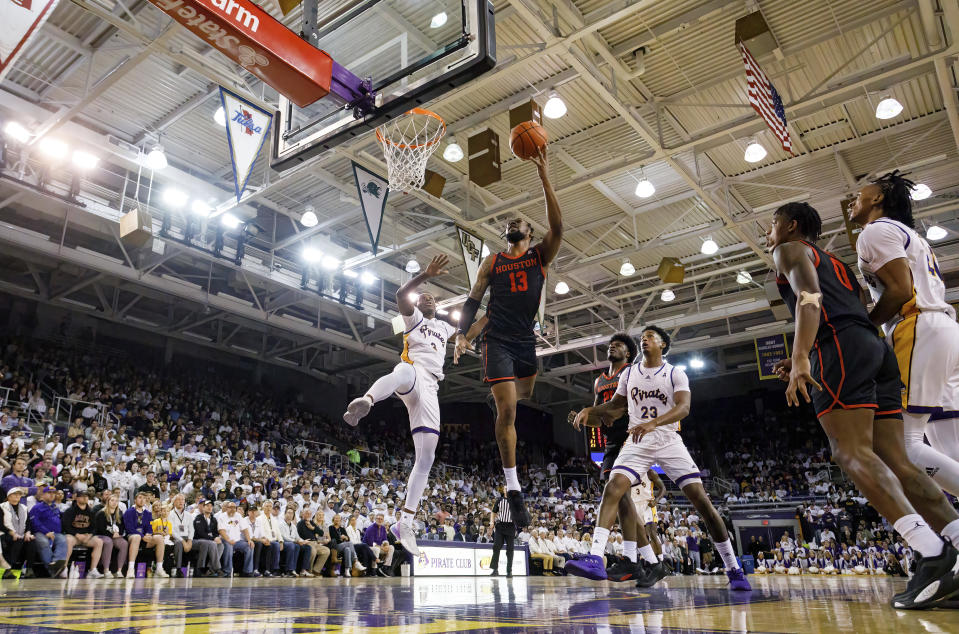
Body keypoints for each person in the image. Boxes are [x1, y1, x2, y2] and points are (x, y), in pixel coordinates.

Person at [767, 201, 959, 609]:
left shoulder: (786, 250)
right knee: (897, 459)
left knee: (849, 452)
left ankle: (932, 552)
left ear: (791, 226)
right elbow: (850, 308)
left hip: (840, 347)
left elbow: (810, 298)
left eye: (773, 223)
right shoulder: (834, 259)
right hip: (874, 347)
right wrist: (808, 349)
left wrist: (803, 354)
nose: (770, 231)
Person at [569, 326, 751, 592]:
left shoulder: (675, 372)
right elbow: (617, 407)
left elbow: (683, 408)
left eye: (651, 337)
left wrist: (653, 423)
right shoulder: (630, 373)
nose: (645, 339)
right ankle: (596, 558)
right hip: (637, 441)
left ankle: (733, 568)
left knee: (701, 502)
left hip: (667, 440)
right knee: (613, 486)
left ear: (664, 345)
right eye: (643, 337)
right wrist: (590, 410)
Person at [454, 147, 563, 527]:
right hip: (496, 339)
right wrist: (461, 335)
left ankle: (497, 401)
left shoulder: (539, 257)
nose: (513, 223)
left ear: (529, 233)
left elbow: (559, 227)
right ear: (505, 234)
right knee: (509, 410)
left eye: (520, 221)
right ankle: (513, 489)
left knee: (525, 395)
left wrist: (544, 176)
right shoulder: (492, 262)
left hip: (524, 341)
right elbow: (473, 300)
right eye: (508, 222)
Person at [851, 171, 959, 496]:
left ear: (878, 198)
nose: (854, 199)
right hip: (944, 330)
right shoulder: (910, 235)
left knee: (902, 445)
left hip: (917, 327)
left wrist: (866, 328)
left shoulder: (875, 231)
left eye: (860, 194)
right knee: (950, 451)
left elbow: (899, 291)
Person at [342, 255, 459, 558]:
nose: (427, 298)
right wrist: (424, 275)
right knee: (402, 370)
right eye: (423, 297)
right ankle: (366, 400)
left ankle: (404, 522)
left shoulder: (445, 328)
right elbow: (399, 296)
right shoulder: (414, 319)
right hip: (414, 374)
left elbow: (471, 325)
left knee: (427, 458)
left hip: (432, 389)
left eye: (431, 296)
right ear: (419, 306)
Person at [568, 333, 650, 583]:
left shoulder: (632, 372)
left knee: (614, 493)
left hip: (631, 437)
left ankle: (602, 556)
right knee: (622, 499)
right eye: (611, 344)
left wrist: (591, 412)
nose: (613, 346)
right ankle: (648, 561)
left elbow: (618, 408)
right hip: (611, 442)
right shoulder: (599, 380)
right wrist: (583, 418)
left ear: (628, 353)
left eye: (619, 345)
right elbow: (598, 417)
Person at [122, 492, 167, 578]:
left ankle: (159, 568)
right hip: (132, 537)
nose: (142, 500)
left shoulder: (147, 513)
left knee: (159, 538)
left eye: (144, 498)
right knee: (137, 537)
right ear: (135, 500)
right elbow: (129, 528)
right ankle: (130, 569)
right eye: (140, 498)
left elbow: (149, 527)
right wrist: (143, 536)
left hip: (145, 538)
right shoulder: (129, 512)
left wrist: (148, 534)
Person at [61, 490, 104, 578]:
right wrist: (77, 534)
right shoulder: (70, 511)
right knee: (68, 540)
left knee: (99, 542)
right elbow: (66, 526)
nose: (85, 498)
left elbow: (94, 527)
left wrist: (89, 535)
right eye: (82, 496)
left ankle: (92, 570)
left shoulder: (91, 512)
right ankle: (63, 568)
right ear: (77, 498)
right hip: (74, 536)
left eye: (87, 496)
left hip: (86, 537)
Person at [27, 485, 68, 577]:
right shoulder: (37, 507)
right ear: (43, 495)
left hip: (56, 533)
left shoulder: (55, 507)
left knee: (63, 540)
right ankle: (53, 570)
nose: (52, 495)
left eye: (54, 493)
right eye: (49, 493)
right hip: (40, 533)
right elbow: (34, 522)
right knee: (43, 542)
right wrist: (46, 532)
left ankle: (55, 563)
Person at [215, 501, 254, 577]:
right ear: (227, 508)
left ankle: (247, 571)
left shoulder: (238, 516)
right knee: (229, 547)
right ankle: (227, 571)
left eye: (234, 507)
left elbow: (245, 529)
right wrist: (229, 540)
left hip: (237, 541)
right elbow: (221, 531)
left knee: (249, 546)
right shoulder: (222, 516)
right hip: (225, 540)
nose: (232, 509)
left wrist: (249, 540)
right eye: (230, 507)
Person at [1, 487, 33, 575]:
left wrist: (28, 532)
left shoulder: (24, 508)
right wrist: (12, 533)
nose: (17, 496)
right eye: (15, 494)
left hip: (21, 534)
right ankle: (9, 568)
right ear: (8, 496)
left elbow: (28, 523)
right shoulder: (2, 506)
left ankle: (29, 569)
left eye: (19, 494)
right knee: (17, 541)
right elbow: (1, 525)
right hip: (6, 532)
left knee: (31, 541)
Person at [93, 493, 127, 577]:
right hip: (101, 535)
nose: (114, 503)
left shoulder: (119, 513)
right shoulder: (101, 513)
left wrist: (118, 533)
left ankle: (119, 571)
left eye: (116, 501)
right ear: (108, 502)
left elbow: (122, 527)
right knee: (108, 542)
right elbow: (100, 529)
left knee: (124, 544)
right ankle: (106, 570)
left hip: (114, 536)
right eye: (112, 500)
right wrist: (112, 535)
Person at [193, 499, 226, 577]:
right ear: (203, 508)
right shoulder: (198, 518)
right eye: (207, 506)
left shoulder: (214, 520)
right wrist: (212, 538)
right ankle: (217, 568)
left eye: (211, 506)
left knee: (221, 545)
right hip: (198, 540)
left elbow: (215, 533)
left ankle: (210, 568)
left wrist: (216, 538)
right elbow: (200, 533)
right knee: (213, 543)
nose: (209, 507)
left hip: (210, 541)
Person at [489, 486, 516, 576]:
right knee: (496, 546)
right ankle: (495, 569)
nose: (507, 490)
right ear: (503, 490)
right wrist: (491, 522)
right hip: (500, 525)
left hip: (510, 526)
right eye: (505, 488)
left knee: (510, 549)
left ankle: (509, 571)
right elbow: (493, 512)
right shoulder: (499, 500)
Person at [297, 508, 331, 577]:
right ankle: (308, 570)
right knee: (313, 551)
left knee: (326, 550)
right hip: (307, 542)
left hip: (315, 543)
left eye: (310, 514)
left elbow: (321, 533)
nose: (308, 515)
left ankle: (316, 570)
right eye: (306, 513)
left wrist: (312, 528)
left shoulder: (312, 523)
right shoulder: (300, 523)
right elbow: (302, 534)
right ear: (303, 514)